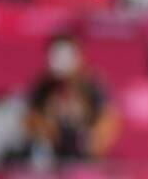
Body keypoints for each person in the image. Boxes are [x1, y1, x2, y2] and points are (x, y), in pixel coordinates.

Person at [22, 33, 120, 165]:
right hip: (51, 158)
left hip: (85, 157)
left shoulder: (91, 85)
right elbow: (30, 120)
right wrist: (45, 132)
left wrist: (94, 140)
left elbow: (109, 119)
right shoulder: (43, 87)